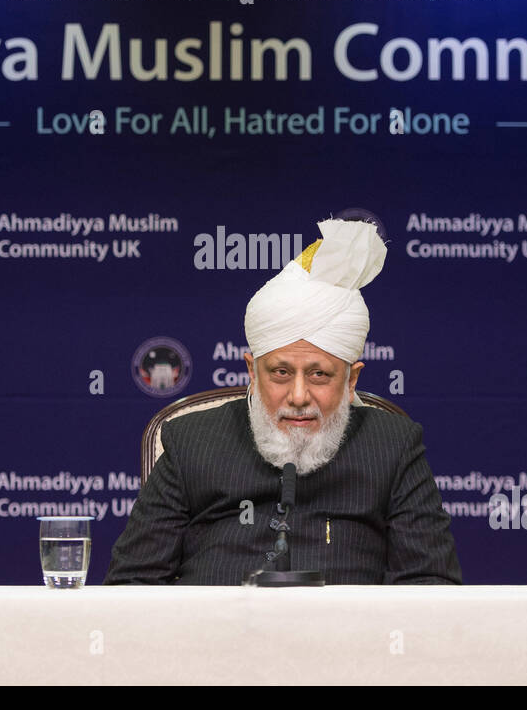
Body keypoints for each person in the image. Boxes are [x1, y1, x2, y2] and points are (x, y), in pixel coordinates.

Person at [105, 217, 462, 585]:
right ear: (251, 372)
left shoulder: (393, 446)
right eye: (280, 373)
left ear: (351, 379)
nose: (298, 396)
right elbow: (131, 585)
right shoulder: (190, 441)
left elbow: (432, 587)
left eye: (319, 374)